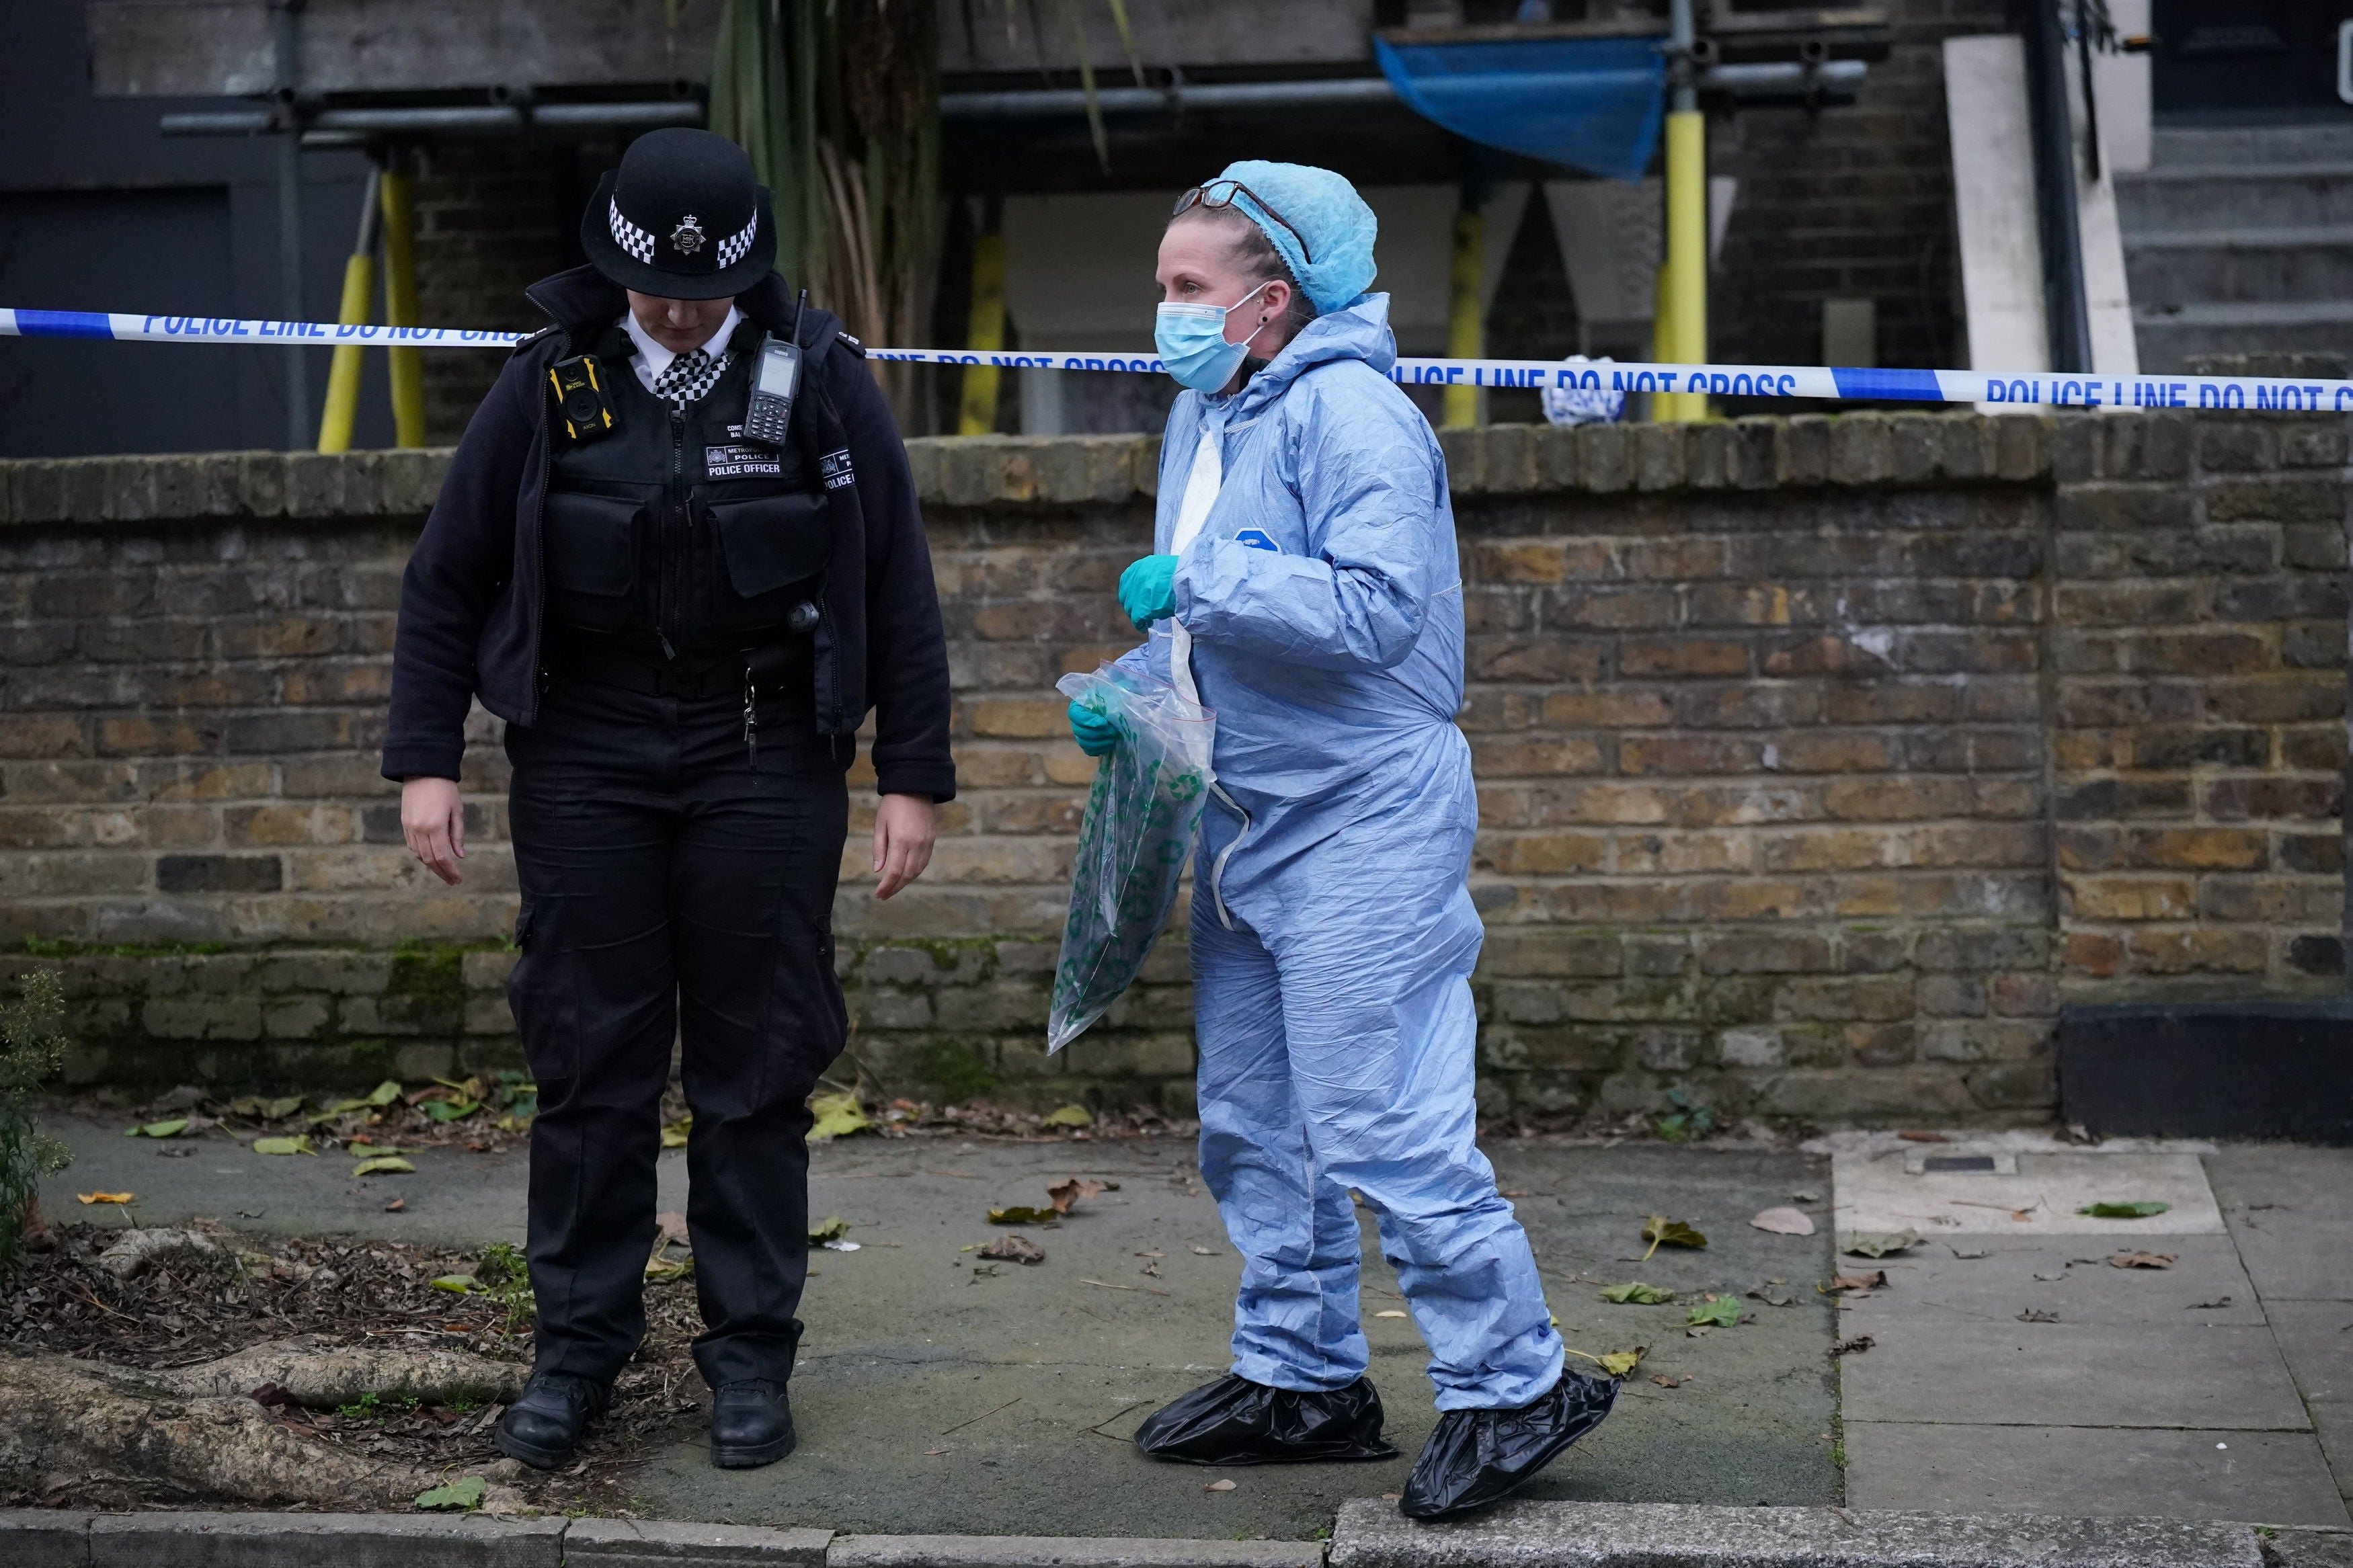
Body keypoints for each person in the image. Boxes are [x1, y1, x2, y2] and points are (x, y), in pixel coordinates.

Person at [383, 128, 954, 1472]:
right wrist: (425, 759)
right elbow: (446, 581)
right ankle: (576, 1354)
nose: (682, 315)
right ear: (616, 265)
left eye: (706, 294)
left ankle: (750, 1363)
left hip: (765, 758)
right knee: (590, 1067)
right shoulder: (544, 387)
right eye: (659, 293)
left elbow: (899, 592)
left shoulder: (818, 381)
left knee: (756, 1073)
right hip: (584, 757)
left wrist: (911, 778)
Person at [1073, 161, 1616, 1519]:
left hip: (1365, 813)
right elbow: (1213, 618)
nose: (1165, 313)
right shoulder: (1211, 415)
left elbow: (1375, 610)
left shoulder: (1358, 417)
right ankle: (1300, 1375)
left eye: (1185, 289)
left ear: (1269, 301)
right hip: (1249, 805)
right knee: (1253, 1120)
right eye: (1162, 287)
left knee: (1379, 1115)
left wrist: (1197, 583)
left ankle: (1512, 1378)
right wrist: (1141, 701)